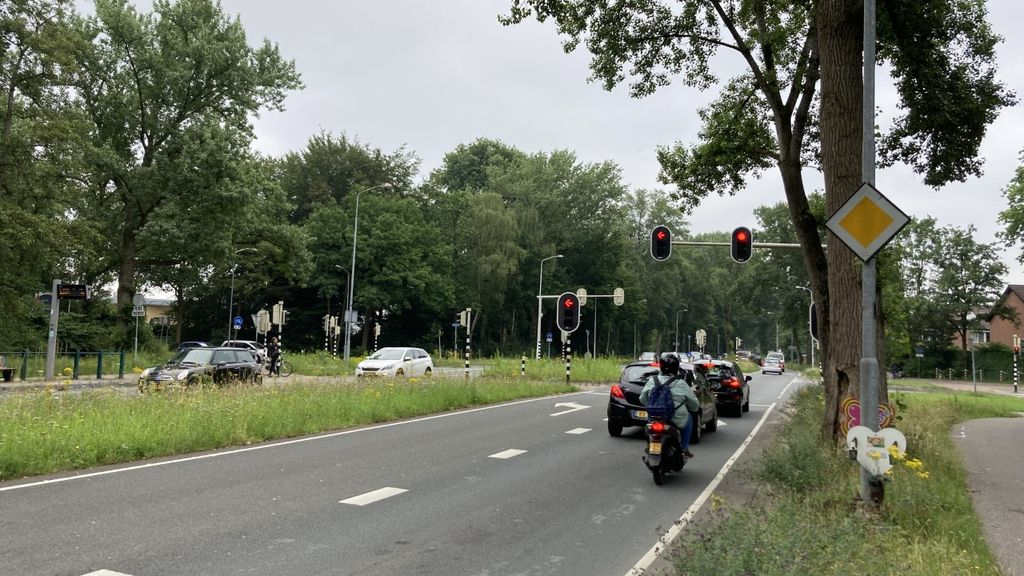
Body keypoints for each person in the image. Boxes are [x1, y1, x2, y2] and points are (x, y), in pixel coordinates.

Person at [639, 353, 701, 458]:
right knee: (689, 418)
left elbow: (642, 399)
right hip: (676, 419)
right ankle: (684, 448)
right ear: (676, 368)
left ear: (661, 367)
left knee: (649, 429)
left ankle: (650, 445)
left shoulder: (652, 380)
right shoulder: (680, 383)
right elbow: (694, 403)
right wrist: (694, 408)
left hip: (655, 417)